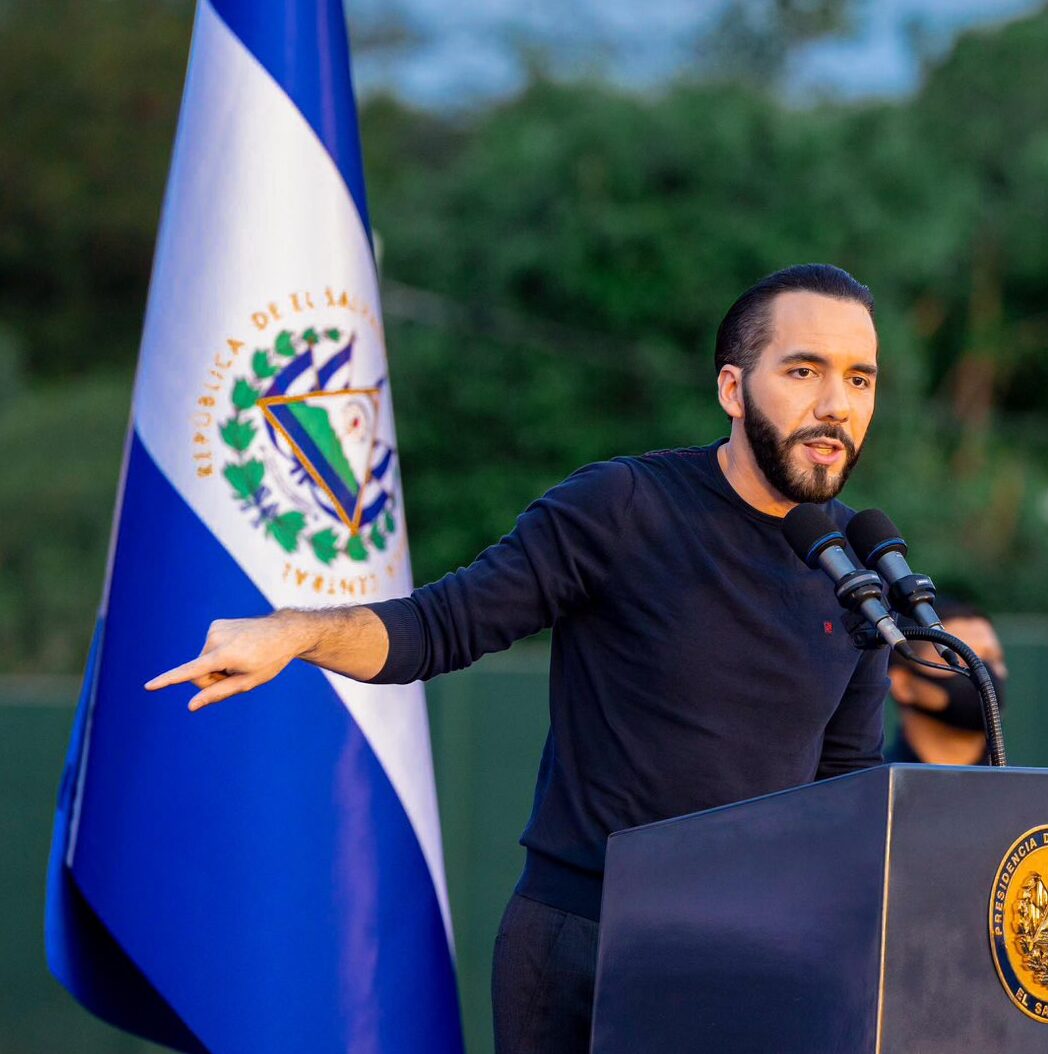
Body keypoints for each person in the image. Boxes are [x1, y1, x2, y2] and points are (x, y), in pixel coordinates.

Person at [145, 263, 891, 1054]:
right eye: (803, 370)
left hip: (760, 960)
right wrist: (296, 631)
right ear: (733, 390)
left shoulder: (857, 571)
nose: (835, 405)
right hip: (591, 944)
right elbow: (442, 624)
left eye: (859, 379)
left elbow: (845, 791)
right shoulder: (625, 506)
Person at [885, 599, 1007, 766]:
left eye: (993, 659)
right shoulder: (872, 786)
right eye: (956, 659)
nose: (983, 672)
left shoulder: (1028, 789)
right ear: (902, 684)